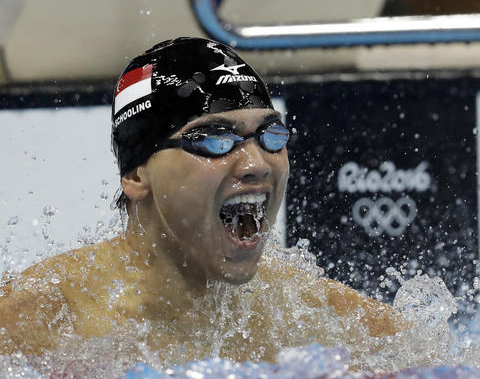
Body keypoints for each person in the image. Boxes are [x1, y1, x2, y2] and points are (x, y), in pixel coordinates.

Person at [0, 37, 404, 364]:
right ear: (137, 174)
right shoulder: (45, 318)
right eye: (215, 139)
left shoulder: (304, 311)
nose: (257, 164)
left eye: (271, 136)